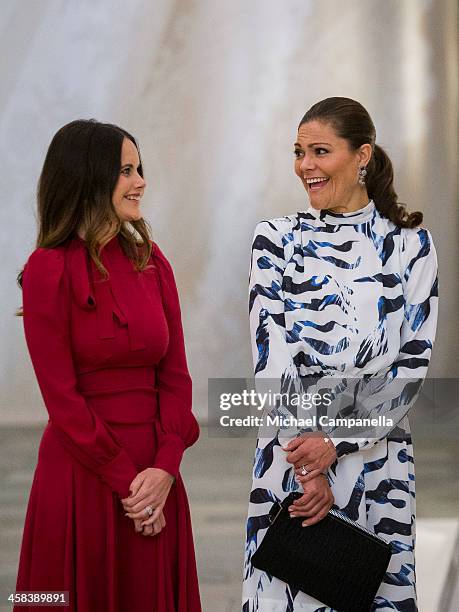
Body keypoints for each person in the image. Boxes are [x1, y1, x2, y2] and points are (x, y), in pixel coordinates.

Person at [242, 97, 438, 611]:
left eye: (320, 151)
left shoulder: (412, 245)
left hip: (380, 471)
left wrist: (337, 441)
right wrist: (311, 465)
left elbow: (409, 368)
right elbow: (272, 361)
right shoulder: (274, 240)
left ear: (362, 156)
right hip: (292, 462)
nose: (306, 166)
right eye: (299, 152)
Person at [15, 119, 201, 611]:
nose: (140, 181)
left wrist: (164, 468)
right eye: (125, 170)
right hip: (83, 478)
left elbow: (177, 377)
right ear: (87, 177)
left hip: (155, 477)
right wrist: (130, 484)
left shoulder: (152, 260)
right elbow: (62, 400)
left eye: (139, 168)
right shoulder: (45, 270)